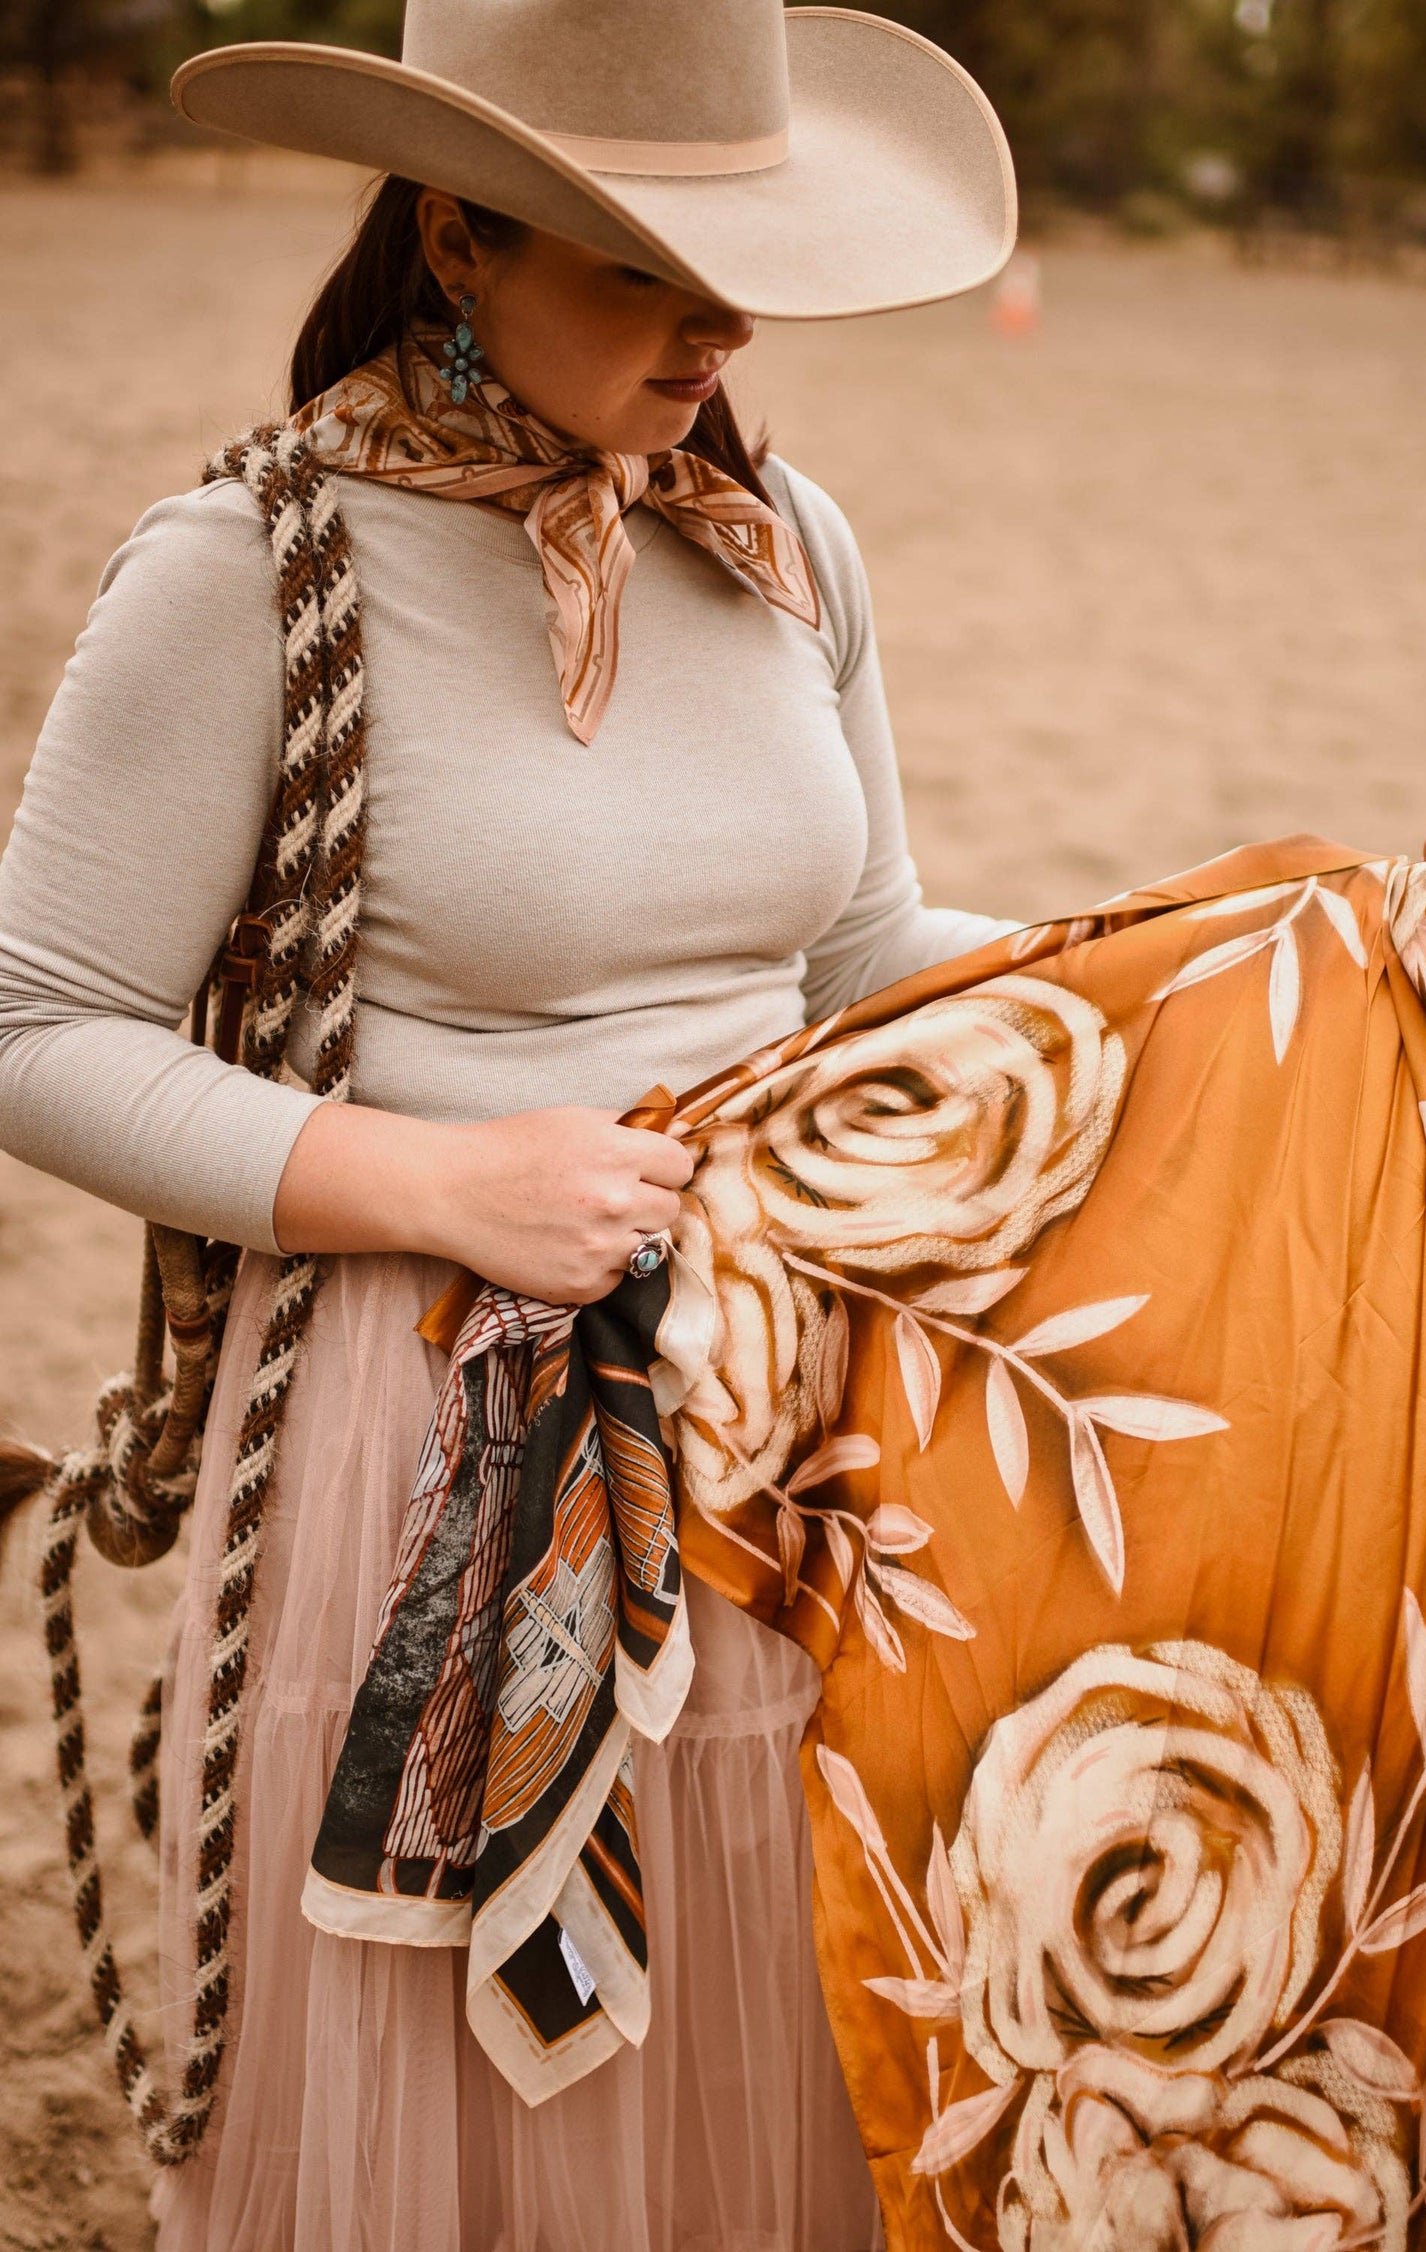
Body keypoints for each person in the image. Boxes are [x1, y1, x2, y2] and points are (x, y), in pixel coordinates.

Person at [0, 2, 1020, 2244]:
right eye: (644, 262)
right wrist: (448, 1180)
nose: (722, 326)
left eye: (737, 256)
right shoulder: (247, 567)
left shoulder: (785, 544)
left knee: (762, 2014)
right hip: (423, 1444)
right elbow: (37, 1020)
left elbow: (857, 950)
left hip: (791, 1411)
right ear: (458, 234)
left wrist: (1212, 964)